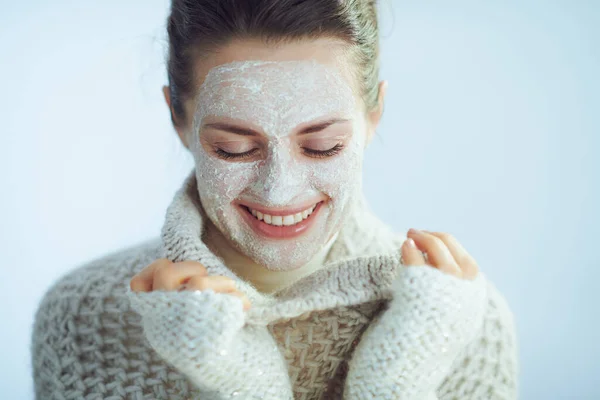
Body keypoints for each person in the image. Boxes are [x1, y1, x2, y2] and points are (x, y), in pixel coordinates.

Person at [31, 0, 519, 399]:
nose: (279, 189)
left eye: (322, 145)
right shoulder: (85, 319)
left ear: (375, 115)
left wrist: (392, 386)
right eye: (234, 148)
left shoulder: (461, 323)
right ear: (179, 119)